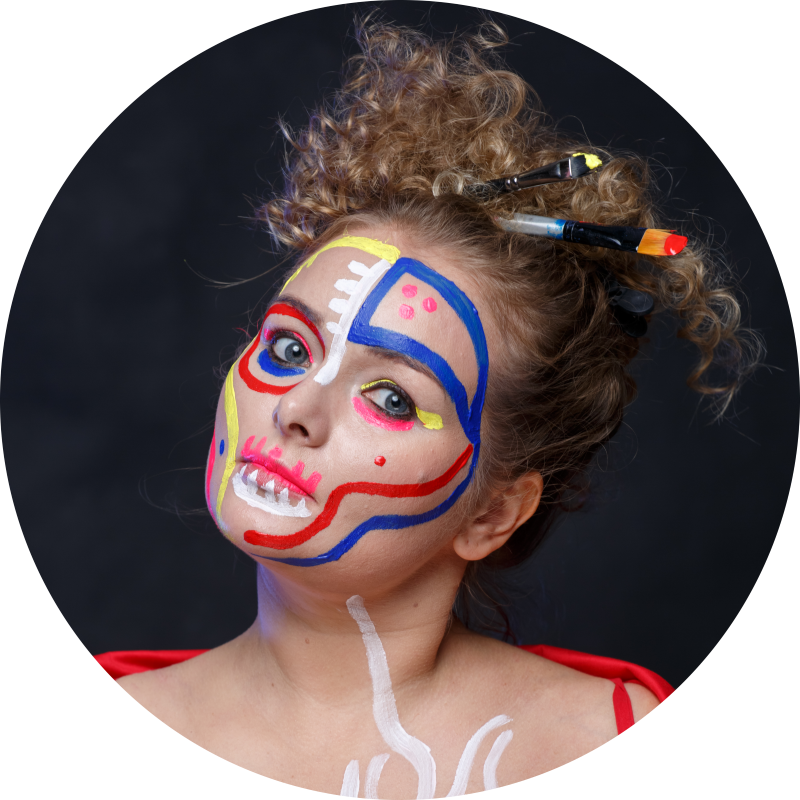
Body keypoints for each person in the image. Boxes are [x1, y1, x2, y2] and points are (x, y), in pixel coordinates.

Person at [96, 17, 760, 794]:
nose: (298, 407)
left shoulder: (605, 730)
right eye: (289, 349)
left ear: (495, 513)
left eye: (391, 397)